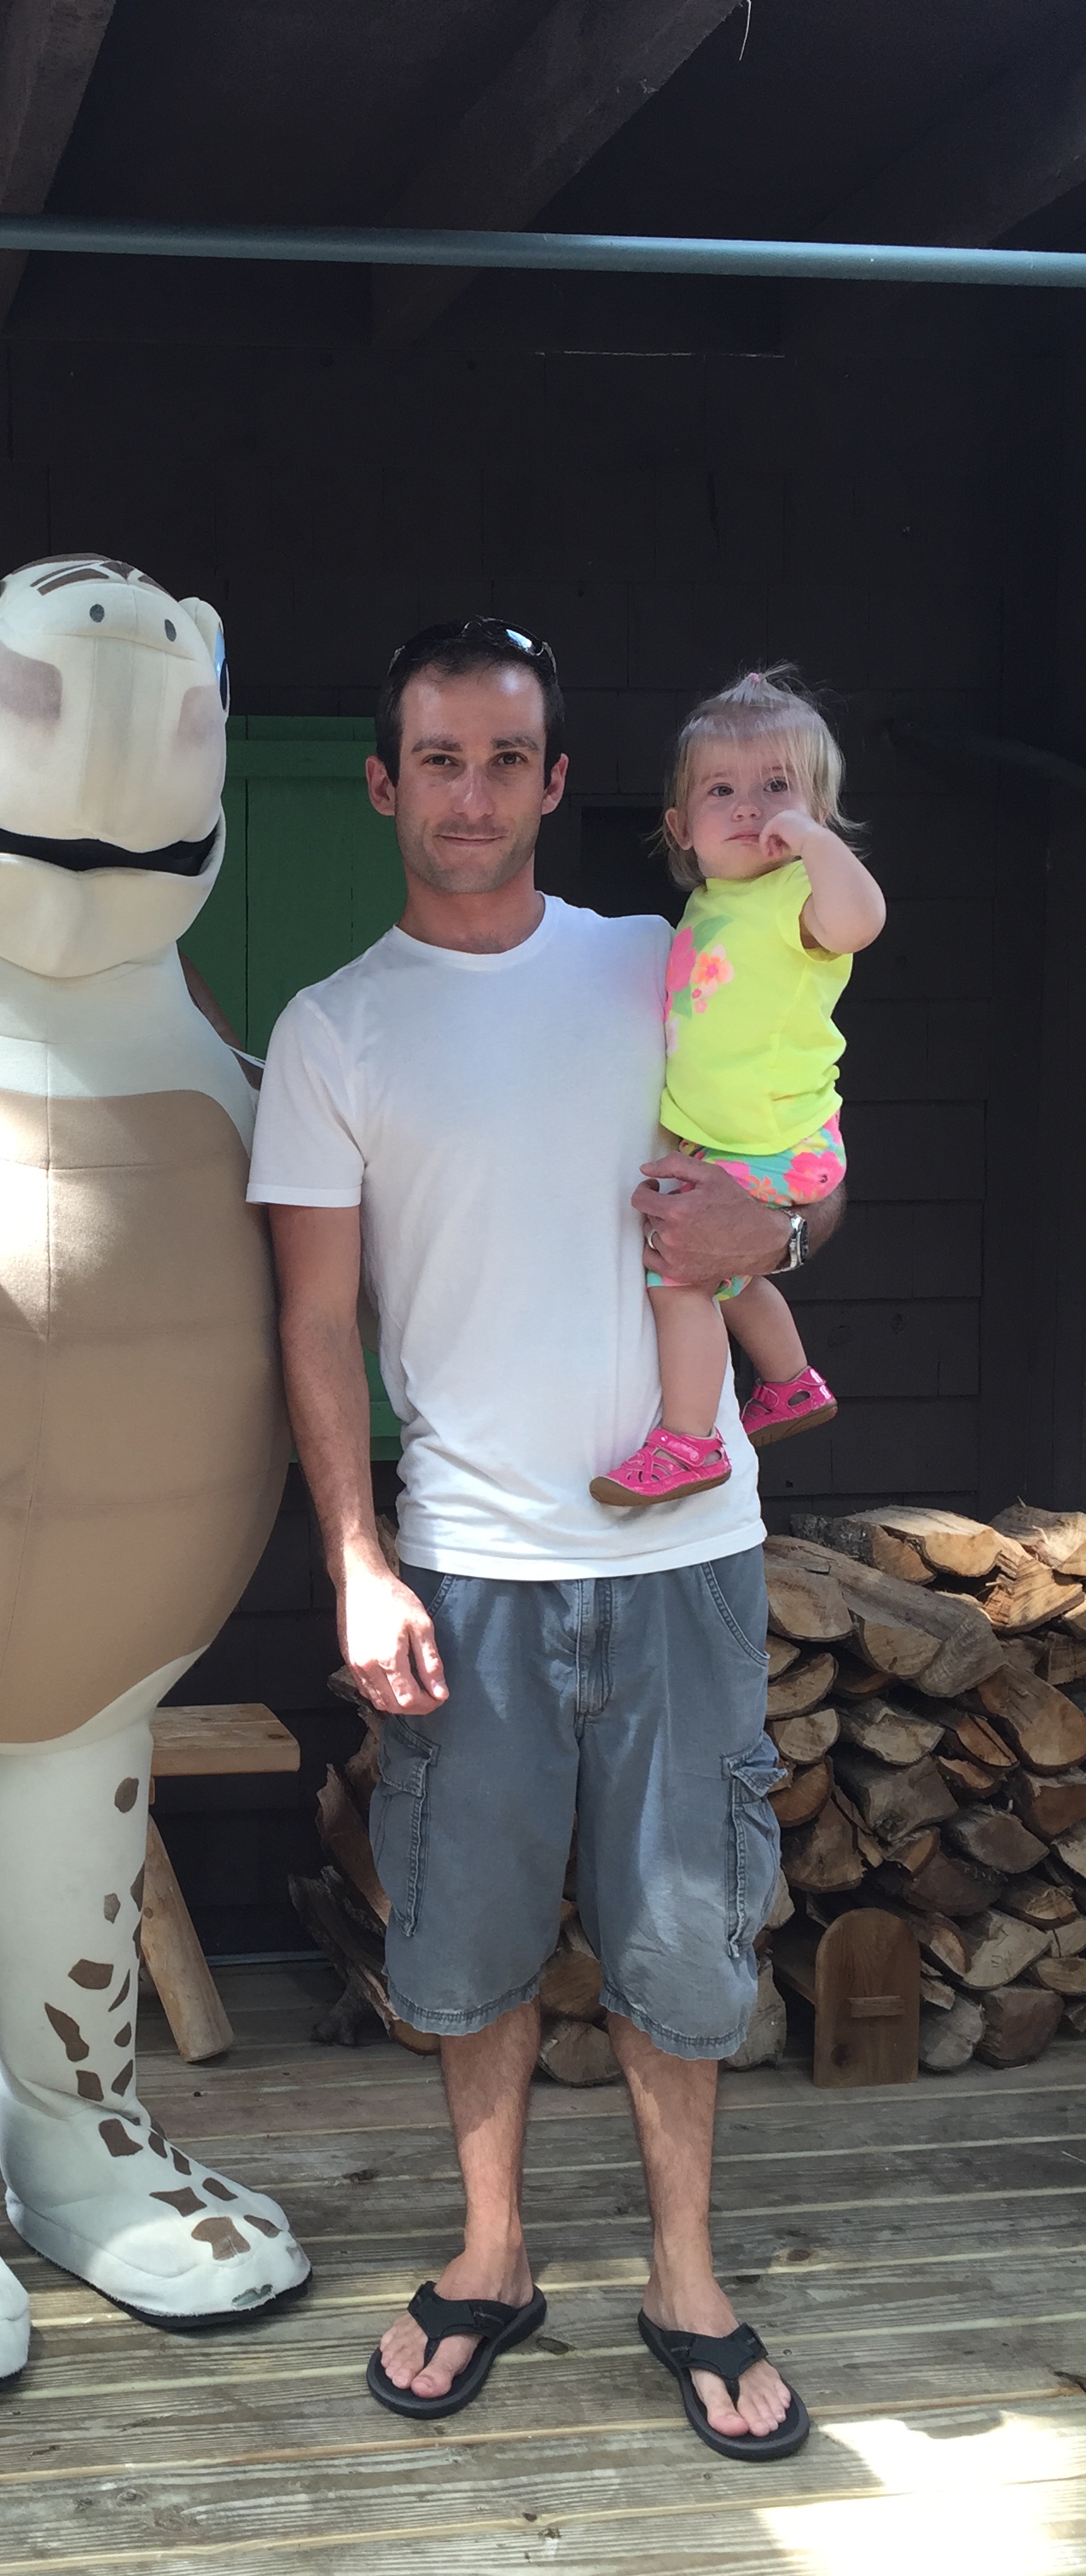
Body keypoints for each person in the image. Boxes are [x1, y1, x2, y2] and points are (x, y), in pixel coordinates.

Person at [251, 618, 840, 2462]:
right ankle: (492, 2251)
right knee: (471, 1940)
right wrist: (355, 1558)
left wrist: (778, 1244)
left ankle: (686, 2275)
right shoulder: (332, 1029)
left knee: (681, 1946)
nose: (473, 792)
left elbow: (800, 1153)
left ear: (558, 783)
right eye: (439, 758)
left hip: (684, 1553)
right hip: (473, 1562)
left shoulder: (661, 963)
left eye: (507, 758)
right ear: (385, 782)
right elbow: (312, 1324)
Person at [591, 667, 886, 1507]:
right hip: (734, 1137)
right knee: (731, 1274)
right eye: (722, 790)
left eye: (778, 787)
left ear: (818, 809)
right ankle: (790, 1382)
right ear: (681, 828)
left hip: (774, 1138)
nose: (752, 808)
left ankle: (690, 1441)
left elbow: (863, 920)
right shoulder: (714, 905)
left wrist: (816, 845)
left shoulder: (798, 897)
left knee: (678, 1272)